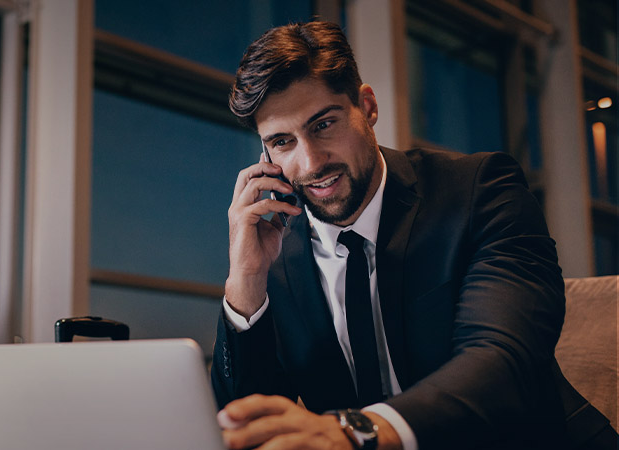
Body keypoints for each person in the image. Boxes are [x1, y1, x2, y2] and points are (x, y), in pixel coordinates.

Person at [212, 21, 616, 450]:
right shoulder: (276, 255)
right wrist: (245, 283)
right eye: (282, 141)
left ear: (367, 107)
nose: (311, 162)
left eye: (323, 125)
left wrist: (356, 432)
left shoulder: (479, 192)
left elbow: (503, 362)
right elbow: (244, 425)